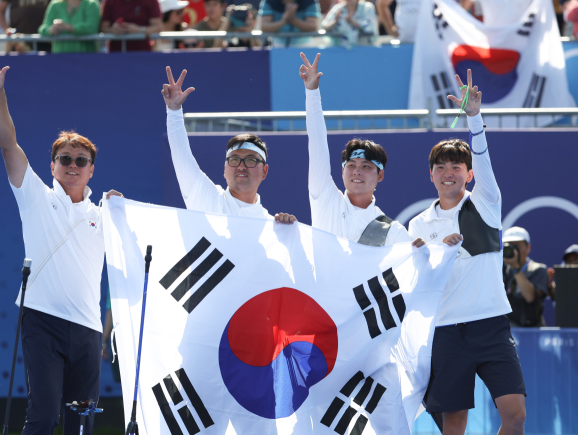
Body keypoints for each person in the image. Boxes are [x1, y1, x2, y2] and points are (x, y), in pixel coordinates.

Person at [0, 50, 122, 435]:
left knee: (80, 425)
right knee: (43, 418)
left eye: (80, 160)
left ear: (91, 169)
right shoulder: (36, 195)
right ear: (52, 165)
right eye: (64, 159)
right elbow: (9, 145)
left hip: (89, 331)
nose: (72, 165)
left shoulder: (108, 213)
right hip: (42, 321)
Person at [409, 70, 527, 435]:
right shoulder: (418, 224)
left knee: (515, 415)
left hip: (492, 324)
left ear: (469, 175)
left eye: (456, 167)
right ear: (430, 175)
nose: (448, 173)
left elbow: (483, 156)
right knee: (454, 425)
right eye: (440, 167)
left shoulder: (487, 203)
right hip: (445, 331)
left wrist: (474, 118)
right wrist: (426, 255)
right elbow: (418, 283)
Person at [299, 53, 411, 246]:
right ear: (342, 171)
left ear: (380, 175)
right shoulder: (324, 197)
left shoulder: (394, 233)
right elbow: (317, 141)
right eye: (351, 165)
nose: (357, 170)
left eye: (366, 166)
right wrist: (312, 92)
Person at [161, 66, 297, 223]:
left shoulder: (274, 227)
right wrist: (174, 111)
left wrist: (288, 232)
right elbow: (181, 157)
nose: (241, 166)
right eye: (234, 159)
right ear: (224, 169)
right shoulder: (207, 199)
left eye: (251, 160)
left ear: (265, 171)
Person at [502, 226, 549, 327]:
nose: (513, 250)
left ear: (528, 247)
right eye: (509, 246)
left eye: (517, 246)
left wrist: (515, 268)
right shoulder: (500, 270)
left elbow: (530, 297)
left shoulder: (539, 270)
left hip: (531, 332)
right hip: (505, 332)